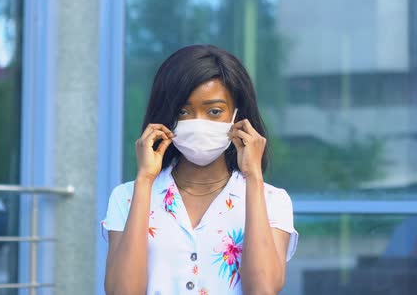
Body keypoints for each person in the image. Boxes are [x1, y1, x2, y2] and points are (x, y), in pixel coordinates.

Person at [103, 45, 298, 294]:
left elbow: (263, 290)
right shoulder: (127, 197)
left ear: (238, 115)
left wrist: (253, 176)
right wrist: (144, 180)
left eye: (214, 111)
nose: (198, 122)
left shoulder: (272, 200)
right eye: (183, 111)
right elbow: (122, 292)